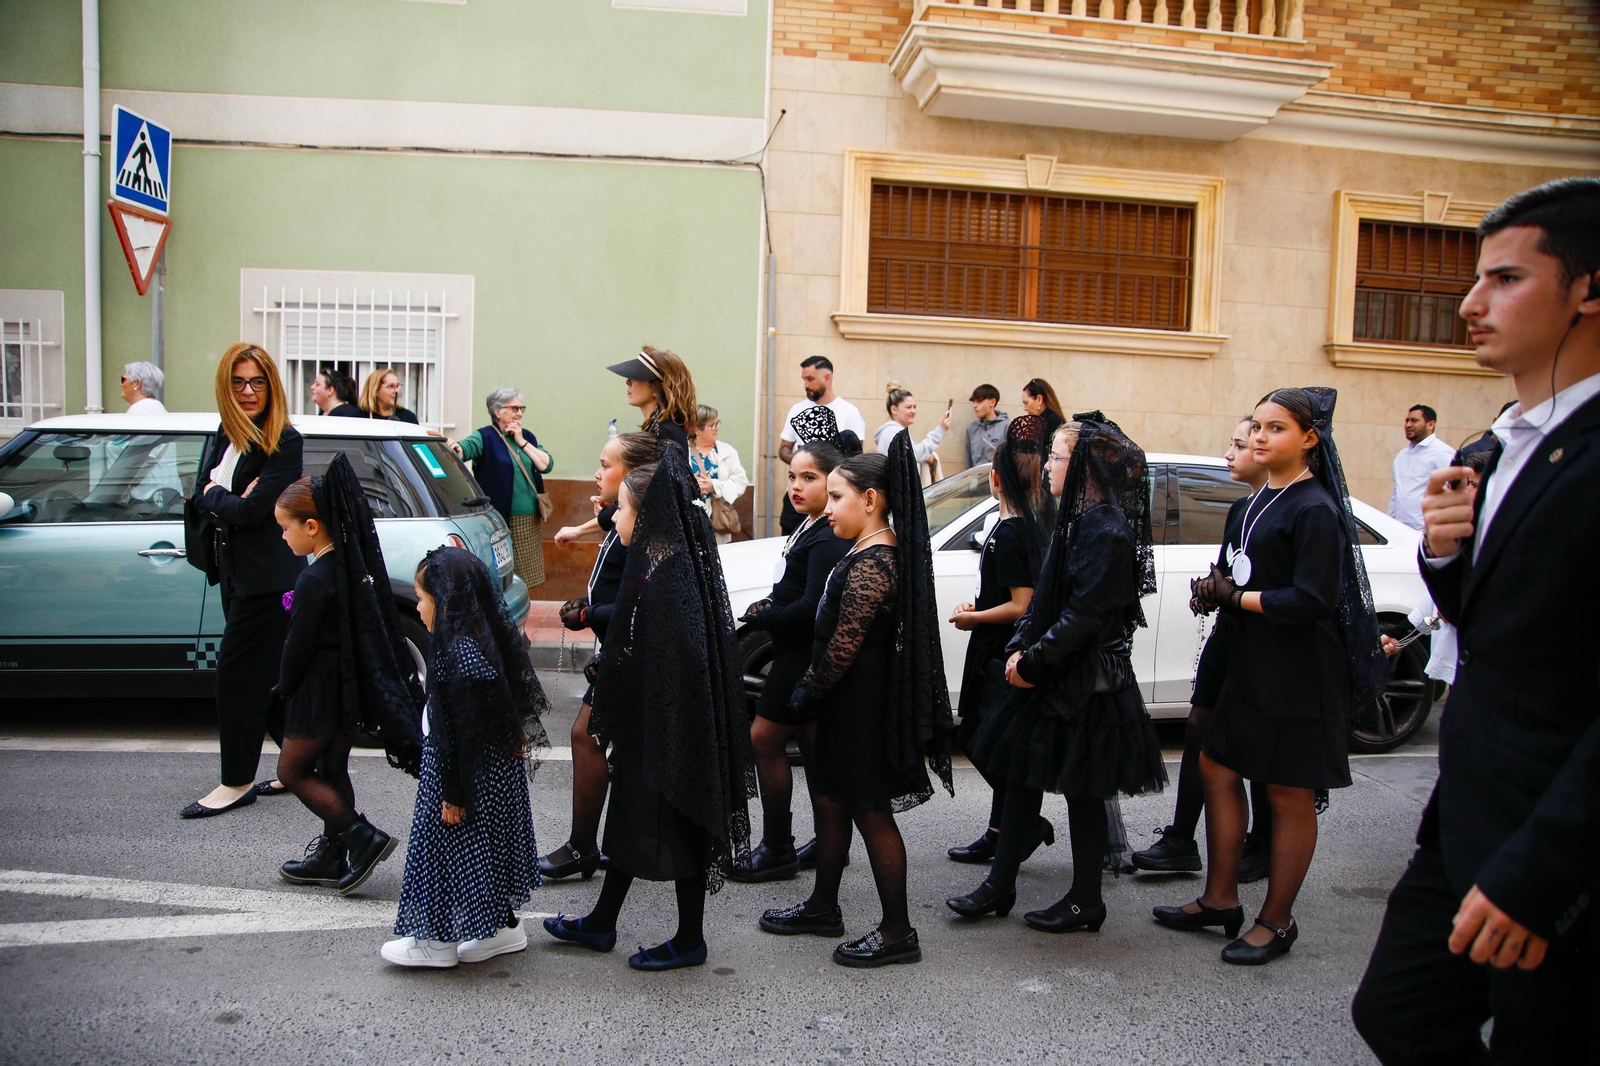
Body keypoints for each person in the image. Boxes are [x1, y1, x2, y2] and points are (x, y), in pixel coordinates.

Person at [1353, 178, 1600, 1062]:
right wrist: (1446, 553)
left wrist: (1543, 873)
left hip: (1558, 849)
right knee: (1398, 1011)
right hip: (1467, 819)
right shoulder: (1502, 445)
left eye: (1505, 279)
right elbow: (1501, 624)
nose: (1469, 303)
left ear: (1588, 289)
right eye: (1474, 278)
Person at [1158, 386, 1386, 966]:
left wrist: (1237, 597)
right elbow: (1237, 572)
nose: (1260, 437)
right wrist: (1212, 589)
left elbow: (1312, 598)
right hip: (1248, 659)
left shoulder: (1315, 509)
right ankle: (1220, 899)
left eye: (1275, 428)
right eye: (1256, 427)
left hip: (1298, 668)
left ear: (1310, 439)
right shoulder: (1248, 504)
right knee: (1217, 766)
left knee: (1288, 792)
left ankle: (1277, 920)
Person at [947, 415, 1166, 933]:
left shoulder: (1105, 528)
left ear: (1084, 466)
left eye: (1057, 456)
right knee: (1023, 777)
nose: (1047, 465)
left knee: (1084, 792)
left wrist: (1032, 661)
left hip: (1085, 680)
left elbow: (1084, 615)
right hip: (1057, 671)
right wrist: (1021, 647)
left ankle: (1086, 899)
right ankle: (1000, 886)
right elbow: (1045, 600)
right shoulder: (1078, 518)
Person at [542, 453, 754, 972]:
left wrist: (623, 668)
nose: (613, 518)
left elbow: (671, 654)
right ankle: (602, 921)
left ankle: (690, 939)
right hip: (648, 724)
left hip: (671, 728)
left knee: (680, 824)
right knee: (628, 818)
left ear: (648, 517)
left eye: (622, 510)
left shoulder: (671, 575)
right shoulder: (657, 562)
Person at [757, 433, 955, 969]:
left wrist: (807, 693)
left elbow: (843, 648)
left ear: (870, 500)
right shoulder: (861, 550)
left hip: (858, 708)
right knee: (832, 799)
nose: (829, 509)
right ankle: (823, 906)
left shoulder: (874, 562)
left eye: (837, 497)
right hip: (844, 704)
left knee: (871, 812)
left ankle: (897, 932)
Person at [382, 547, 550, 968]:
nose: (418, 608)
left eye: (422, 598)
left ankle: (435, 943)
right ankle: (504, 928)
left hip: (463, 775)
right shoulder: (481, 637)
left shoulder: (457, 653)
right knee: (486, 850)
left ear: (444, 601)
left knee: (443, 854)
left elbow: (461, 731)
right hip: (489, 771)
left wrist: (454, 794)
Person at [272, 456, 424, 895]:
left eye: (285, 527)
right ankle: (331, 854)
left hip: (316, 691)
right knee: (332, 765)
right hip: (344, 686)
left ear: (312, 526)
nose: (283, 536)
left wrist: (283, 687)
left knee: (293, 770)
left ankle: (361, 837)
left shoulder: (314, 579)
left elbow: (297, 646)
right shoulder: (346, 568)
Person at [1133, 417, 1275, 883]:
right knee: (1199, 727)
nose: (1231, 454)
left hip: (1265, 642)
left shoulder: (1295, 508)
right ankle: (1181, 839)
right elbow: (1228, 569)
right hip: (1228, 635)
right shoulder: (1240, 509)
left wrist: (1231, 594)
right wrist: (1210, 591)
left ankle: (1262, 843)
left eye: (1240, 445)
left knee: (1257, 744)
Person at [727, 405, 853, 882]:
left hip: (802, 656)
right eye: (792, 477)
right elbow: (793, 587)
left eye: (809, 478)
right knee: (813, 754)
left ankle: (779, 847)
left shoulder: (828, 536)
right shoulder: (811, 525)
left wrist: (767, 615)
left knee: (765, 740)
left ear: (833, 483)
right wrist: (770, 603)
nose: (796, 486)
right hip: (793, 652)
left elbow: (812, 607)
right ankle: (825, 844)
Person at [180, 344, 304, 818]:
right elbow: (199, 494)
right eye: (238, 382)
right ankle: (303, 766)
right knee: (268, 679)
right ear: (225, 387)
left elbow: (254, 512)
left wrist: (220, 495)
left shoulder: (284, 441)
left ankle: (236, 782)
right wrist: (222, 497)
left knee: (235, 679)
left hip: (270, 582)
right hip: (233, 575)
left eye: (257, 382)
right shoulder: (224, 433)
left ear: (271, 386)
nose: (248, 391)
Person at [539, 432, 669, 880]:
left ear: (633, 475)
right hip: (616, 648)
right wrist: (588, 603)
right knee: (613, 745)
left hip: (630, 653)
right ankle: (621, 846)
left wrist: (590, 613)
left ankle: (586, 847)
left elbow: (644, 601)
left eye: (605, 465)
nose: (597, 473)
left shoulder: (643, 523)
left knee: (589, 736)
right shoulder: (622, 513)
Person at [946, 414, 1052, 865]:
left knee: (980, 738)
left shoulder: (1012, 531)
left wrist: (975, 618)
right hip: (1000, 644)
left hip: (1001, 649)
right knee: (995, 740)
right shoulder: (1019, 525)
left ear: (996, 478)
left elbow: (1021, 604)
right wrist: (978, 605)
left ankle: (1022, 821)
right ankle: (1001, 829)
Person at [1381, 449, 1492, 687]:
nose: (1469, 493)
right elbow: (1431, 602)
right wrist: (1399, 634)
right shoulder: (1463, 533)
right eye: (1468, 485)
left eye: (1475, 485)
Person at [449, 387, 553, 591]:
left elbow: (546, 465)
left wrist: (522, 442)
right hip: (497, 519)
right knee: (498, 576)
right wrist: (457, 448)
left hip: (527, 520)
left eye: (521, 408)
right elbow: (466, 448)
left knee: (525, 578)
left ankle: (520, 607)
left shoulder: (527, 436)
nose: (520, 413)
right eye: (514, 408)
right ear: (498, 411)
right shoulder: (485, 436)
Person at [778, 356, 868, 535]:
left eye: (810, 379)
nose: (805, 384)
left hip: (830, 497)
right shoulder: (797, 409)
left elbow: (855, 459)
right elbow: (783, 449)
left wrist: (824, 467)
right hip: (797, 501)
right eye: (804, 379)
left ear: (827, 377)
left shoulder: (849, 413)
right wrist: (803, 463)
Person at [607, 346, 694, 455]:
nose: (628, 382)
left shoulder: (665, 432)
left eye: (635, 377)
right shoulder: (658, 428)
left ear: (656, 389)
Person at [1386, 404, 1455, 531]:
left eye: (1414, 420)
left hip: (1425, 531)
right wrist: (1389, 522)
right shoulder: (1402, 455)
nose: (1408, 425)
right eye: (1407, 420)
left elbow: (1453, 491)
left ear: (1431, 424)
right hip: (1398, 529)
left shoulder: (1442, 453)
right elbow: (1396, 493)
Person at [688, 404, 750, 545]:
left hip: (717, 520)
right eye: (712, 425)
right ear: (696, 429)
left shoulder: (727, 451)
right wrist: (691, 485)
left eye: (717, 423)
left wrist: (715, 486)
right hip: (690, 519)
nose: (716, 428)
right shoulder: (683, 451)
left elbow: (741, 481)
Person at [874, 383, 950, 486]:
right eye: (909, 407)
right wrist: (940, 430)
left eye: (914, 407)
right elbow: (915, 454)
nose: (913, 411)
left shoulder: (894, 431)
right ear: (894, 409)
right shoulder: (894, 432)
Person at [965, 384, 1009, 466]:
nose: (975, 406)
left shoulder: (1007, 427)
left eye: (979, 401)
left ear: (992, 402)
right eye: (974, 402)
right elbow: (969, 463)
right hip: (977, 474)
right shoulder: (972, 429)